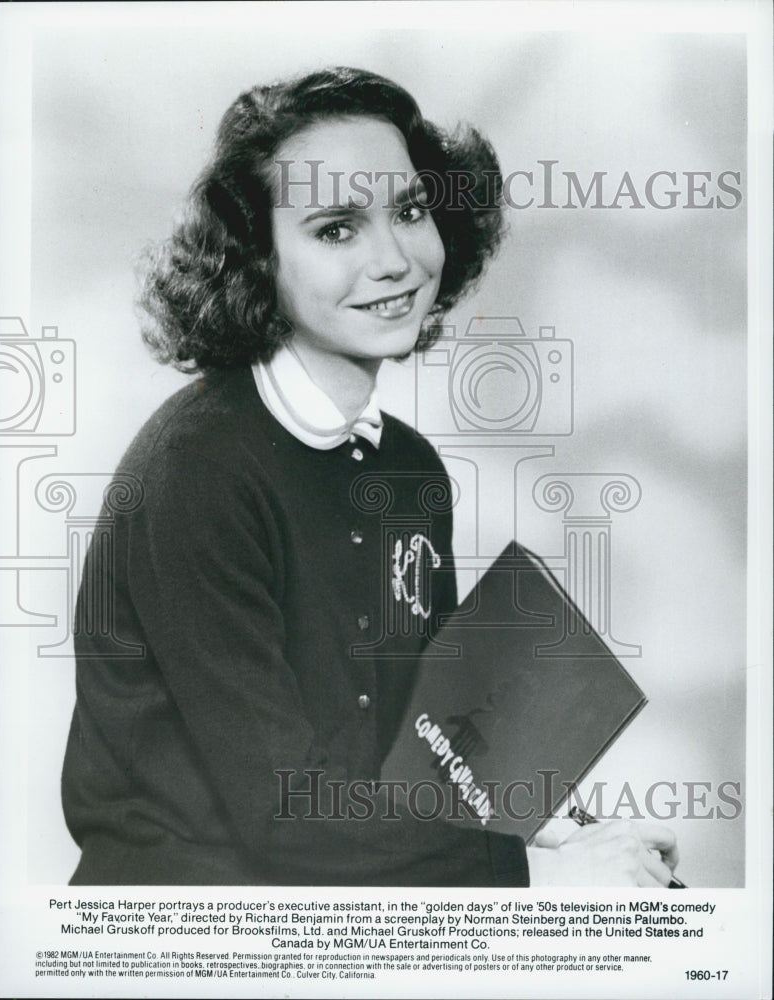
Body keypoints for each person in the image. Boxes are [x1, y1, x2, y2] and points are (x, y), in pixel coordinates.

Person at [61, 67, 678, 887]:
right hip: (193, 924)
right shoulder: (198, 474)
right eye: (336, 228)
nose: (393, 259)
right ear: (257, 259)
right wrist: (543, 872)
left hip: (345, 899)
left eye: (410, 210)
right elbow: (288, 814)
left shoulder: (408, 469)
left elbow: (431, 745)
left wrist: (574, 831)